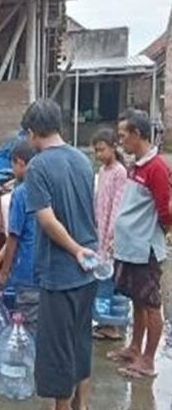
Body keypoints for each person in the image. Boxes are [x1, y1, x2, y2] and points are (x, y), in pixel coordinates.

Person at [21, 99, 98, 410]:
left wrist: (75, 249)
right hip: (89, 268)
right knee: (81, 338)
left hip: (62, 268)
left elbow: (47, 220)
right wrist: (86, 251)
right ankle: (82, 409)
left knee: (57, 344)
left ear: (31, 132)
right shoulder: (83, 159)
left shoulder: (38, 166)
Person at [110, 110, 171, 380]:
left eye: (124, 136)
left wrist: (158, 233)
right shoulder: (137, 166)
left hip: (144, 247)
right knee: (137, 299)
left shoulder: (157, 167)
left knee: (151, 303)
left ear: (137, 135)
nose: (121, 141)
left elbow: (165, 211)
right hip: (130, 247)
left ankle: (148, 359)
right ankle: (135, 347)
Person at [0, 141, 39, 334]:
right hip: (49, 271)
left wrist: (4, 273)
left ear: (20, 163)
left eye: (12, 165)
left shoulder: (20, 193)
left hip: (27, 270)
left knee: (27, 328)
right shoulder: (48, 186)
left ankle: (31, 363)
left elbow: (14, 236)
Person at [91, 128, 127, 341]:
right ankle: (104, 321)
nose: (98, 155)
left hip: (111, 238)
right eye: (96, 151)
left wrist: (111, 237)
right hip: (100, 234)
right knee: (102, 281)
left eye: (101, 150)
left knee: (111, 283)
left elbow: (118, 207)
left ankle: (112, 325)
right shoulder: (103, 172)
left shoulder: (119, 172)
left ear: (113, 147)